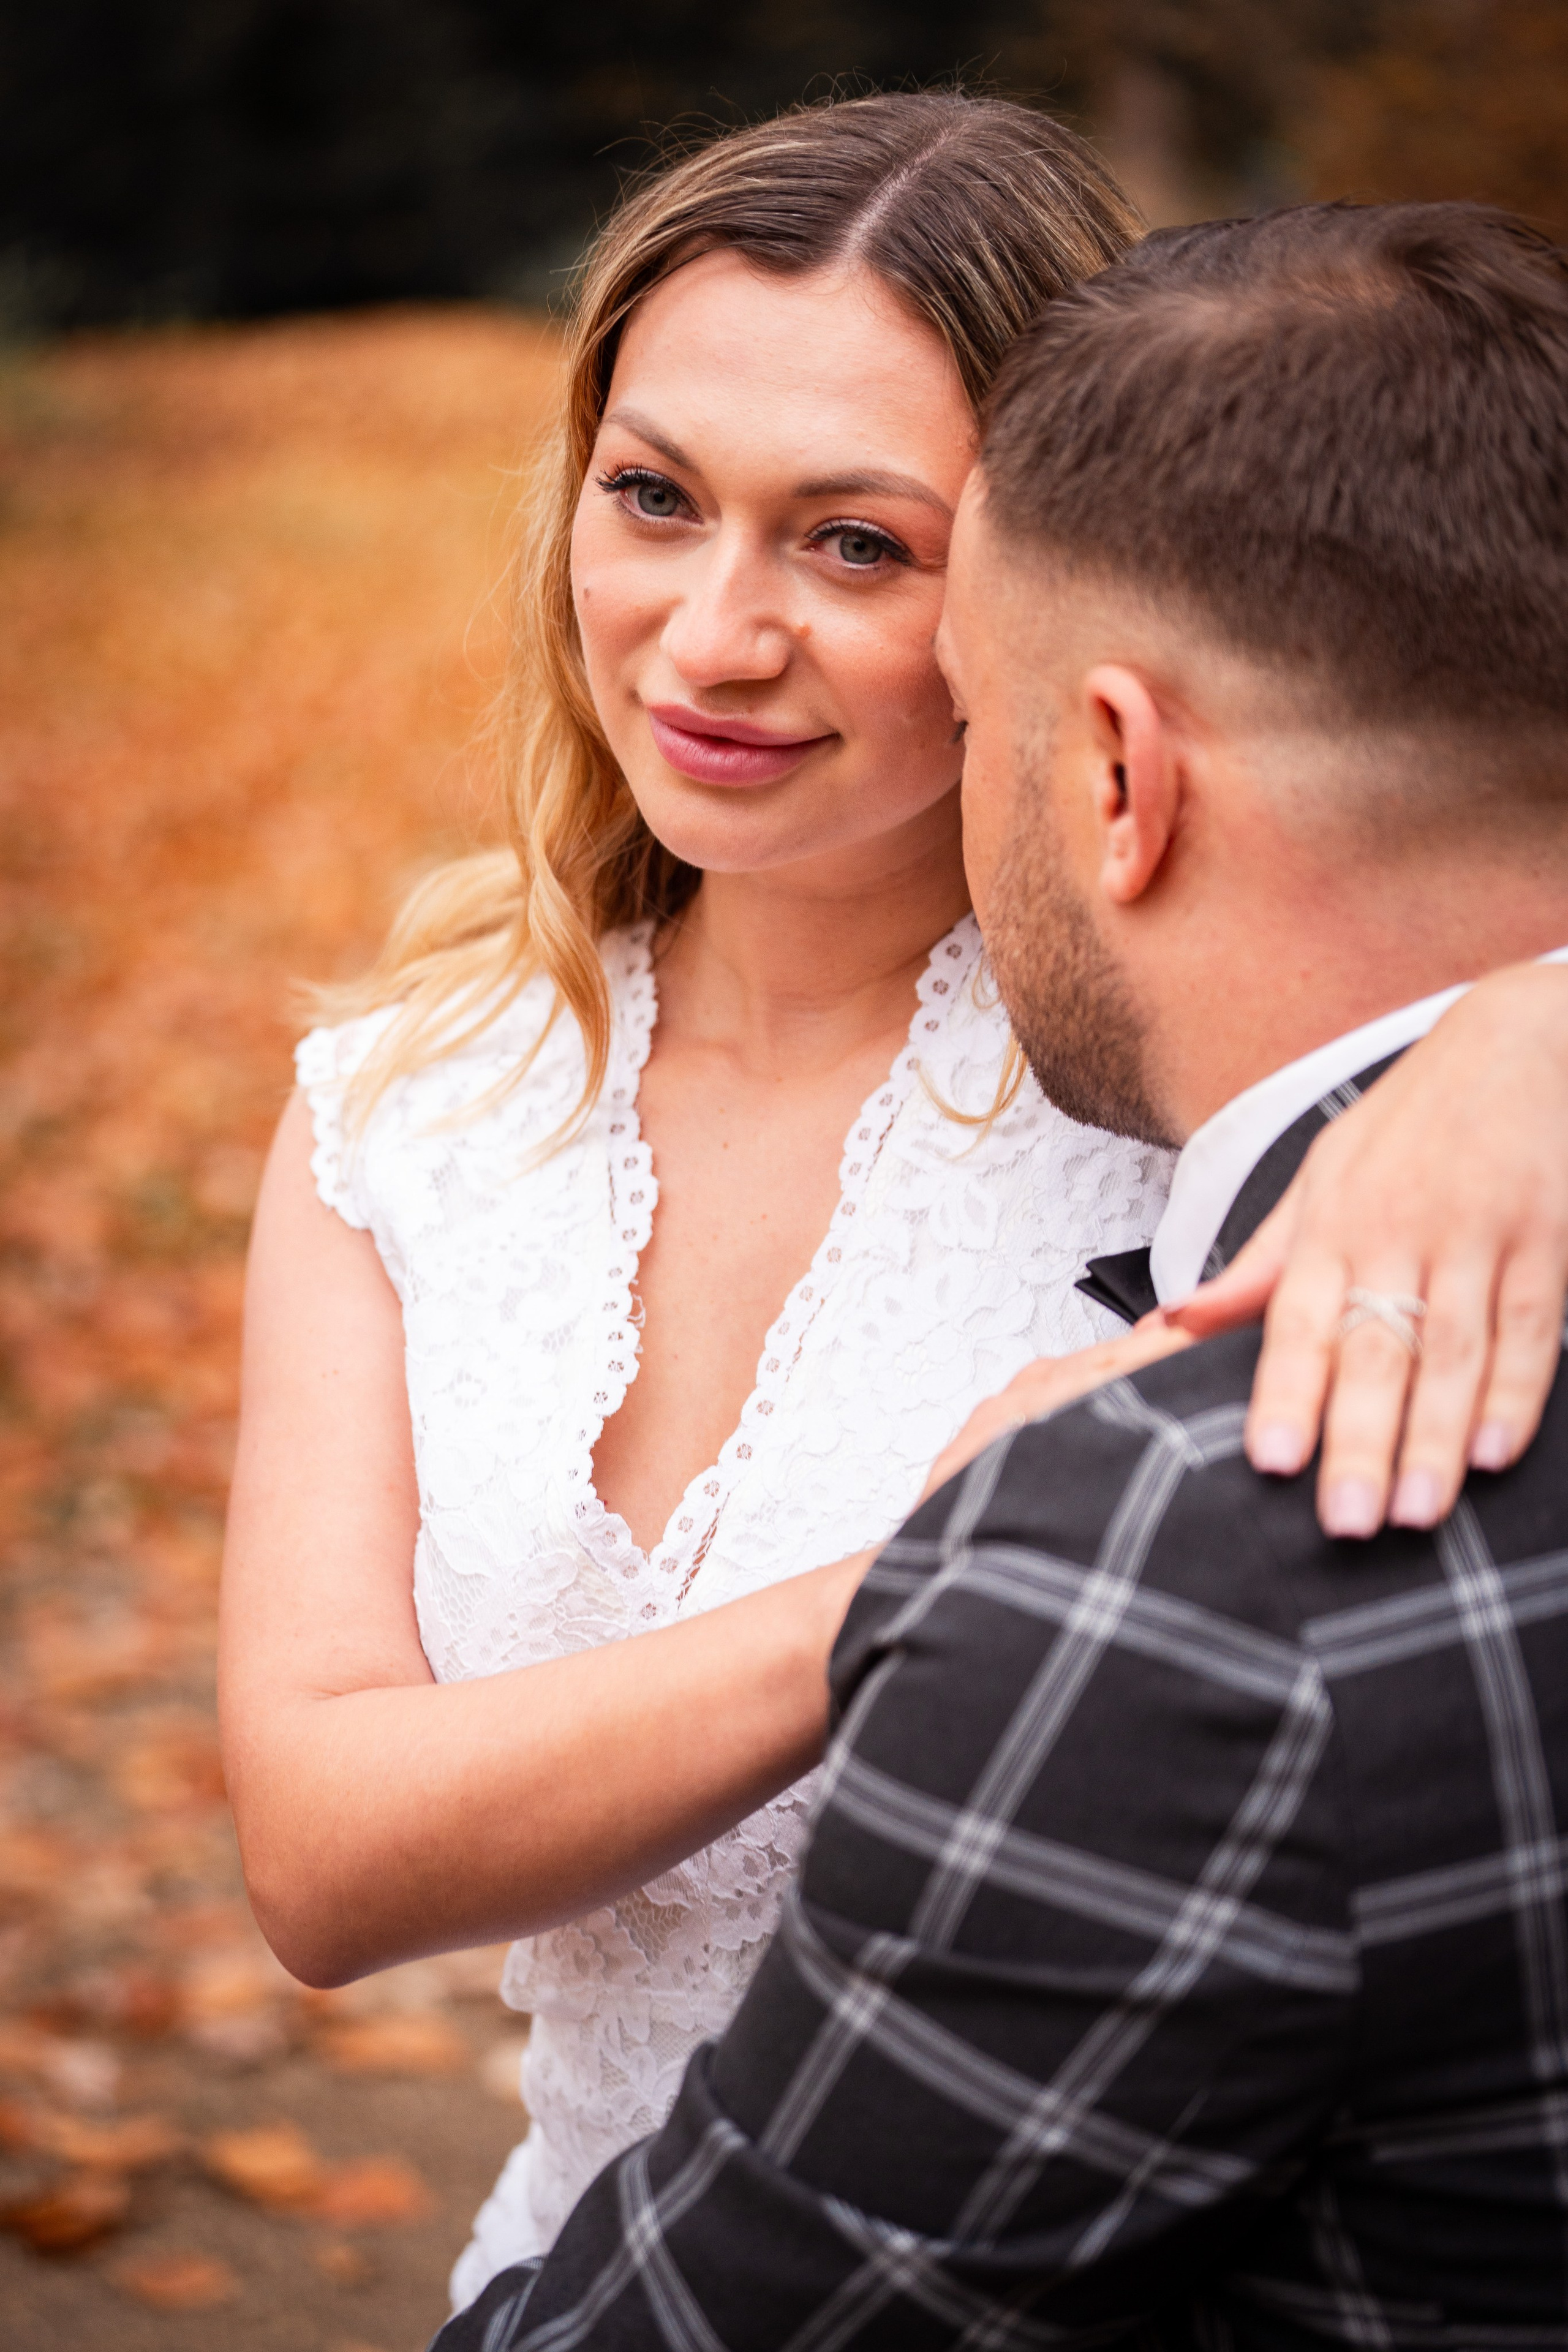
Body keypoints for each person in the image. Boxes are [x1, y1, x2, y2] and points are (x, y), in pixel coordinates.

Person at [220, 91, 1568, 2309]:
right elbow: (326, 1856)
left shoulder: (1181, 1069)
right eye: (653, 500)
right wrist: (955, 1571)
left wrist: (1532, 1031)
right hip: (583, 2257)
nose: (712, 638)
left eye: (857, 545)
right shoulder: (417, 1099)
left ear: (1036, 584)